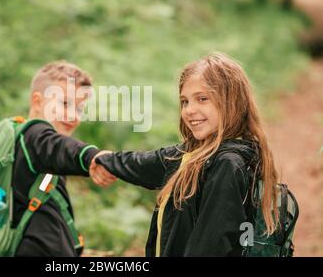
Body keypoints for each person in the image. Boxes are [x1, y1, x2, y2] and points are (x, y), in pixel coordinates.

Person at [90, 52, 279, 256]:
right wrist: (99, 158)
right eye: (185, 101)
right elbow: (143, 163)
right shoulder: (195, 153)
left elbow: (209, 247)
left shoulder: (227, 163)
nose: (189, 110)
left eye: (202, 99)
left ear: (231, 101)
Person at [12, 60, 114, 257]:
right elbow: (58, 147)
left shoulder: (39, 157)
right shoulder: (32, 135)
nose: (73, 116)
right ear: (37, 102)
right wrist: (92, 156)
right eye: (64, 103)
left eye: (79, 109)